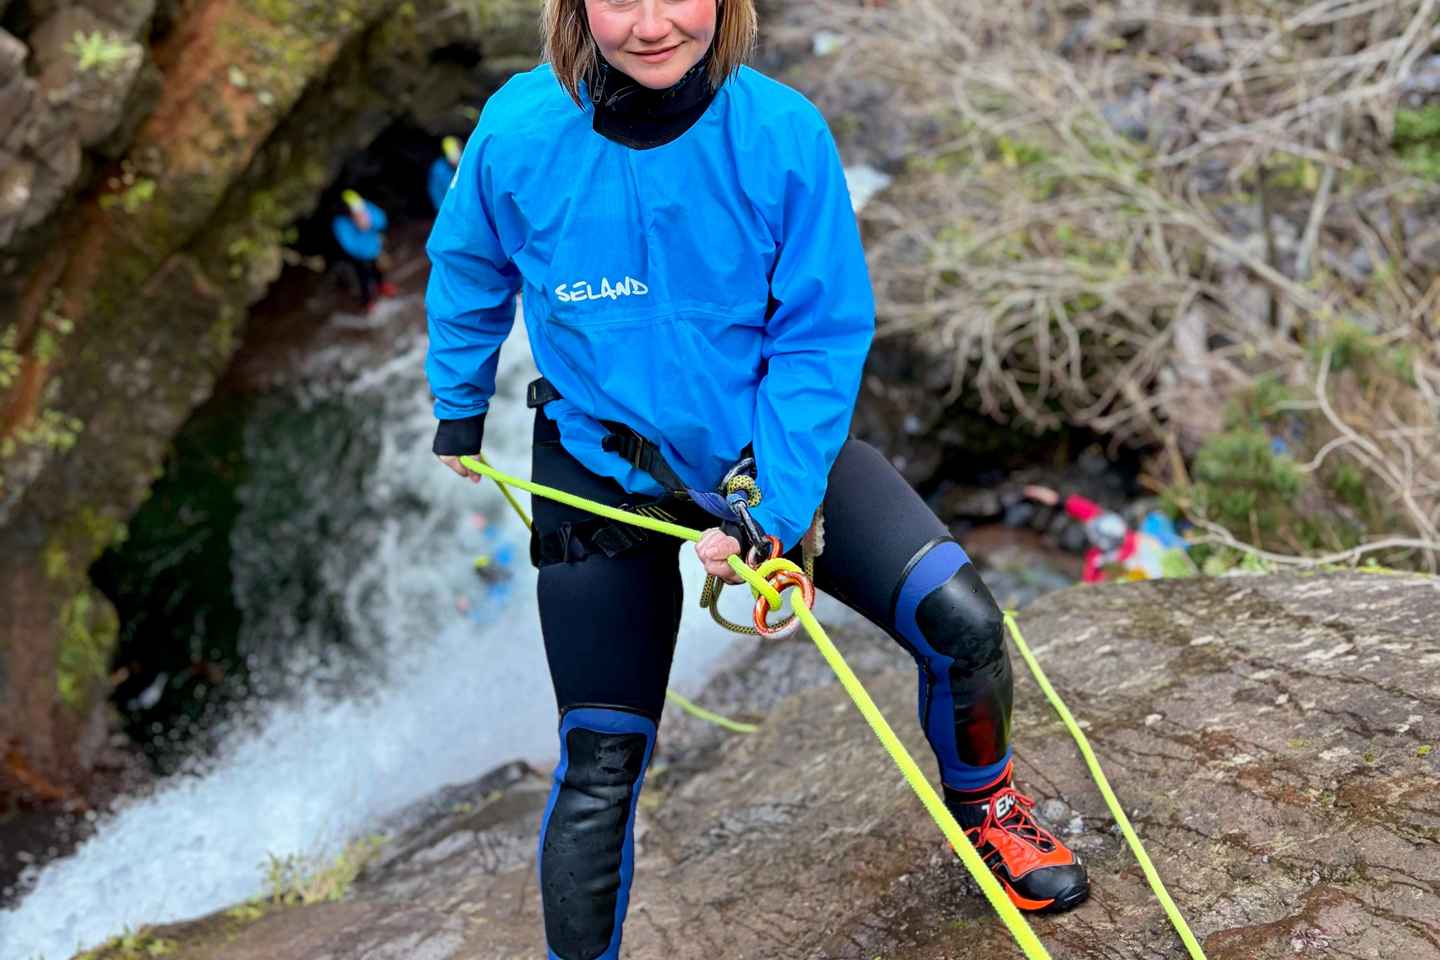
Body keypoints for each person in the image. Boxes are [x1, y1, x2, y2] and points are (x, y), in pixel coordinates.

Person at [424, 1, 1090, 956]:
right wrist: (458, 395)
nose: (651, 25)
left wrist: (768, 505)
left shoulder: (780, 133)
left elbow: (819, 337)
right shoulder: (520, 130)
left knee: (964, 623)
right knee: (602, 755)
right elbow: (468, 261)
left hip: (762, 449)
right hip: (601, 462)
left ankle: (989, 810)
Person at [331, 188, 397, 310]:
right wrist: (359, 228)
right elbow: (348, 245)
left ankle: (382, 286)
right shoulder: (340, 223)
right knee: (363, 278)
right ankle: (367, 301)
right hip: (358, 257)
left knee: (379, 271)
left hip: (374, 248)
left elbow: (382, 220)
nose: (358, 211)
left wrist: (370, 221)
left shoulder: (365, 207)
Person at [428, 135, 463, 211]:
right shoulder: (439, 168)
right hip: (445, 209)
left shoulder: (465, 165)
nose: (455, 157)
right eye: (452, 154)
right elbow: (435, 191)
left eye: (457, 152)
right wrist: (444, 210)